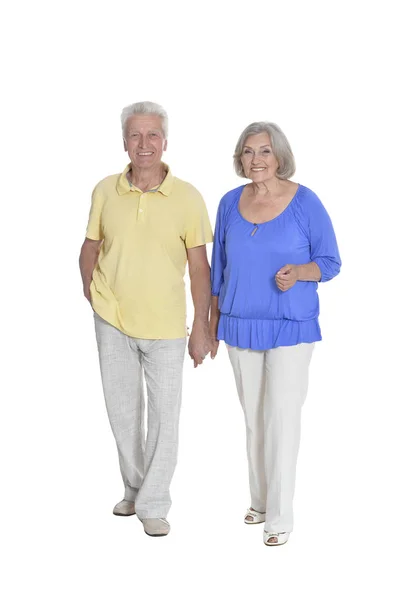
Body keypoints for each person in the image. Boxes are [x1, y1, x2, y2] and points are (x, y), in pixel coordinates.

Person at [79, 101, 213, 537]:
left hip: (167, 324)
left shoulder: (188, 197)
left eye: (152, 135)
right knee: (122, 412)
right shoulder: (104, 190)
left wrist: (203, 328)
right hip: (112, 319)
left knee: (164, 416)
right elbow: (89, 248)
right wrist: (92, 292)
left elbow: (199, 268)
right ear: (124, 142)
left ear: (165, 141)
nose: (144, 144)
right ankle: (135, 489)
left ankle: (155, 502)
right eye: (135, 135)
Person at [210, 121, 341, 546]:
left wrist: (302, 272)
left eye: (264, 151)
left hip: (290, 326)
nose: (256, 160)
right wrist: (211, 324)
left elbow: (331, 261)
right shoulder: (229, 202)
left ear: (280, 156)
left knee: (282, 420)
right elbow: (218, 270)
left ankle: (280, 519)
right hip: (239, 323)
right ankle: (260, 501)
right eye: (248, 152)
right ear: (240, 158)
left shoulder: (306, 202)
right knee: (254, 419)